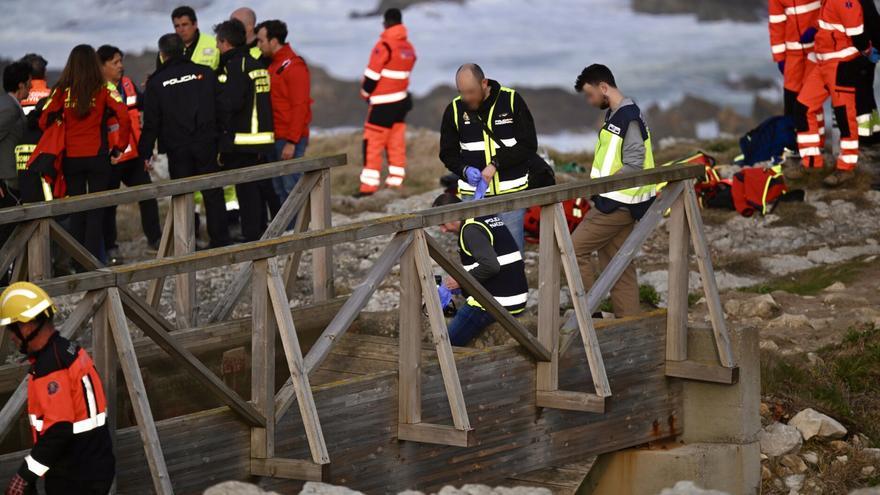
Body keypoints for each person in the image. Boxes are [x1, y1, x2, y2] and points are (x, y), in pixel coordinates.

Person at [0, 282, 114, 495]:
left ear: (27, 325)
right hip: (94, 463)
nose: (12, 337)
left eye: (11, 329)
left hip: (75, 474)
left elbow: (58, 429)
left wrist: (25, 475)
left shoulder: (51, 366)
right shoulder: (68, 350)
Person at [571, 64, 656, 318]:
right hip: (622, 202)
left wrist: (603, 187)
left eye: (590, 94)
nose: (589, 100)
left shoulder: (626, 117)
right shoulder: (619, 113)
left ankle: (590, 316)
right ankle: (629, 328)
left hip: (616, 203)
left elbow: (634, 164)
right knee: (619, 266)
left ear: (603, 87)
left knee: (572, 249)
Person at [40, 44, 131, 263]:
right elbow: (125, 117)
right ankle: (92, 263)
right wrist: (119, 147)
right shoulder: (104, 87)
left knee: (78, 211)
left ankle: (76, 262)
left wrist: (60, 123)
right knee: (95, 212)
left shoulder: (62, 89)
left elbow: (44, 118)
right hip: (98, 157)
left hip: (72, 159)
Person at [139, 33, 231, 248]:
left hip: (176, 148)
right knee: (213, 192)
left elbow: (151, 122)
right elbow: (222, 108)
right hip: (207, 143)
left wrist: (144, 153)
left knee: (183, 196)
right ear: (184, 51)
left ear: (162, 55)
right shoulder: (205, 73)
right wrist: (223, 138)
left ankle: (186, 244)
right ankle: (221, 241)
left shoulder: (156, 82)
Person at [439, 63, 536, 251]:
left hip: (511, 198)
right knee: (477, 259)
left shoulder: (511, 100)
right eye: (461, 92)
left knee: (512, 258)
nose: (466, 98)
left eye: (471, 92)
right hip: (472, 199)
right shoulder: (454, 109)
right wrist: (464, 170)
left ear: (484, 83)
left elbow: (529, 145)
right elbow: (447, 154)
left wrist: (495, 164)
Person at [432, 193, 528, 346]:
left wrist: (461, 281)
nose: (443, 230)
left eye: (443, 224)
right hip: (516, 296)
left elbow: (491, 266)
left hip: (496, 303)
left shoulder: (470, 230)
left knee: (444, 345)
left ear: (453, 214)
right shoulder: (483, 217)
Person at [797, 0, 873, 187]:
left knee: (845, 117)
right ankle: (812, 164)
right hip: (823, 63)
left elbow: (857, 34)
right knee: (803, 107)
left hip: (841, 66)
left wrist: (867, 52)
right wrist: (814, 29)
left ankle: (846, 168)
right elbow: (829, 23)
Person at [97, 45, 162, 261]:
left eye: (121, 61)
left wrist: (153, 87)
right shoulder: (96, 90)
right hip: (111, 158)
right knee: (108, 205)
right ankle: (110, 247)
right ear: (101, 66)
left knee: (147, 196)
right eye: (115, 62)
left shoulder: (127, 84)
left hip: (133, 155)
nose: (121, 66)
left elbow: (143, 103)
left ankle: (156, 240)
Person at [215, 19, 277, 242]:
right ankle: (261, 232)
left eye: (218, 43)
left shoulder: (236, 65)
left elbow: (232, 103)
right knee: (258, 189)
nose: (217, 48)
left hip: (243, 141)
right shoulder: (256, 64)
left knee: (247, 191)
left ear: (225, 42)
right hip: (261, 139)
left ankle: (252, 236)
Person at [357, 8, 417, 196]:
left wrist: (365, 93)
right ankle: (395, 183)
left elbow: (372, 76)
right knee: (396, 142)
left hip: (382, 105)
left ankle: (368, 188)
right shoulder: (408, 47)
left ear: (386, 23)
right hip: (401, 101)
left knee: (372, 144)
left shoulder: (384, 45)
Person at [256, 19, 312, 203]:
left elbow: (300, 106)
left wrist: (292, 141)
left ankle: (298, 231)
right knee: (280, 189)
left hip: (288, 140)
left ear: (273, 41)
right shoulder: (273, 65)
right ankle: (288, 230)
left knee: (291, 189)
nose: (258, 46)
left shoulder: (294, 66)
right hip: (275, 137)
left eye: (261, 41)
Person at [767, 0, 823, 179]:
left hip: (816, 50)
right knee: (791, 102)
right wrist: (779, 57)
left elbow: (830, 8)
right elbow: (776, 23)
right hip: (792, 56)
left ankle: (816, 147)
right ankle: (794, 147)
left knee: (810, 102)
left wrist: (816, 28)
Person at [1, 62, 30, 254]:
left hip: (9, 181)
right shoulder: (9, 109)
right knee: (6, 236)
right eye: (29, 83)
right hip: (6, 183)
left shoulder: (9, 105)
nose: (31, 87)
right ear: (20, 85)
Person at [172, 5, 220, 70]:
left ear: (195, 24)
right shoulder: (168, 49)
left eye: (185, 25)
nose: (181, 30)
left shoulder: (215, 43)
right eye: (177, 26)